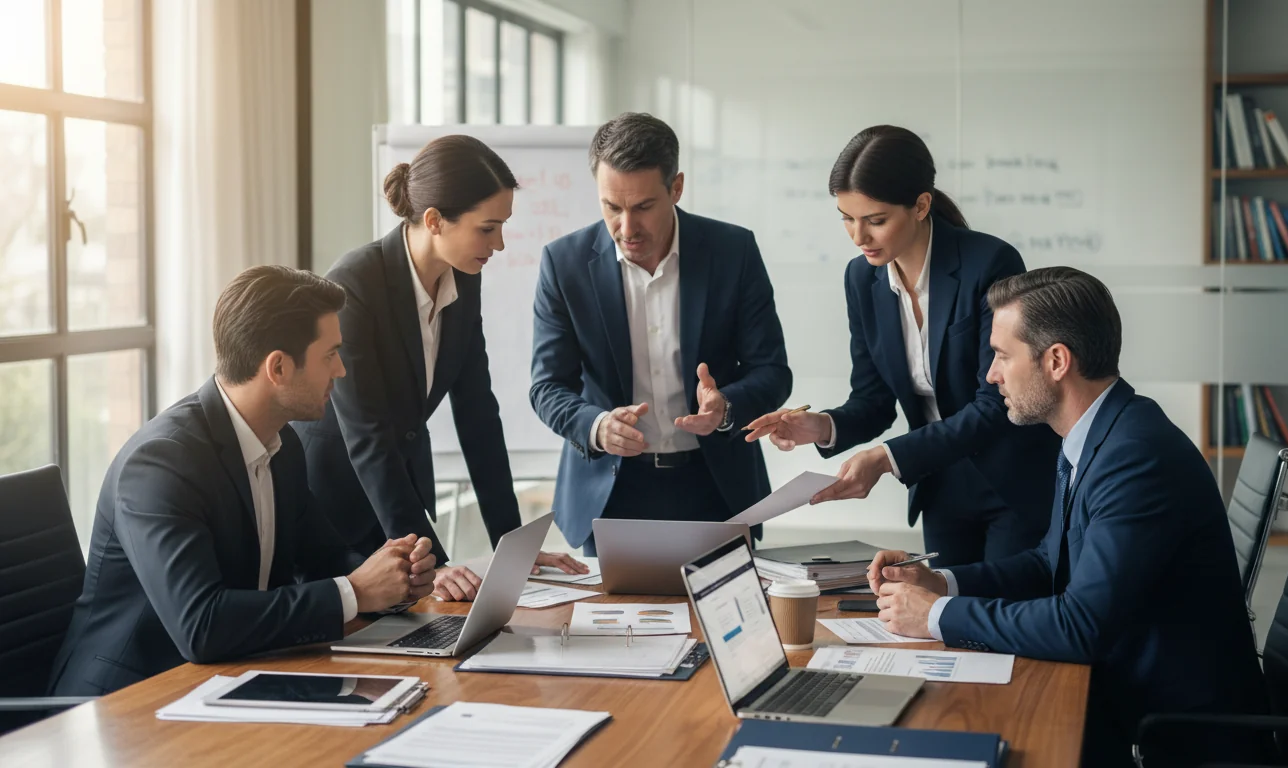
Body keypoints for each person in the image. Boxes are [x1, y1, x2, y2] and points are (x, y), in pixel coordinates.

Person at [865, 267, 1269, 766]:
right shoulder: (1098, 432)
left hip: (1169, 733)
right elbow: (1047, 562)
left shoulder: (1135, 457)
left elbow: (1081, 626)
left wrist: (934, 617)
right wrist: (942, 583)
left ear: (1056, 361)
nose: (991, 375)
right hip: (1122, 696)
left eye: (1002, 355)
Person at [50, 266, 437, 697]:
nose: (341, 370)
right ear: (278, 367)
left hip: (227, 678)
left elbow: (325, 558)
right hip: (126, 700)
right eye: (330, 355)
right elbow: (201, 624)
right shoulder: (161, 463)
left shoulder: (282, 445)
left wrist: (395, 576)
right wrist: (355, 592)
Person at [744, 126, 1058, 568]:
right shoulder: (862, 279)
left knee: (998, 606)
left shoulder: (989, 263)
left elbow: (996, 403)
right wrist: (819, 426)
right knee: (942, 607)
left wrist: (887, 457)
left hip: (1010, 484)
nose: (858, 236)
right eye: (846, 218)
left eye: (875, 220)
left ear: (921, 205)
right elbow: (873, 402)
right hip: (940, 484)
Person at [294, 135, 583, 602]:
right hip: (337, 506)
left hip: (401, 497)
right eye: (487, 229)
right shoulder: (356, 284)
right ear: (434, 221)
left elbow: (478, 414)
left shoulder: (463, 279)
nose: (500, 244)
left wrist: (513, 545)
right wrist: (432, 559)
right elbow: (368, 435)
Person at [531, 112, 792, 553]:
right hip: (610, 493)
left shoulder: (733, 252)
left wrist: (725, 408)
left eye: (643, 207)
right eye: (612, 207)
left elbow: (772, 371)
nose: (626, 228)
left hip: (716, 488)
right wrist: (596, 426)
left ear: (676, 188)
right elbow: (547, 387)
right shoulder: (564, 263)